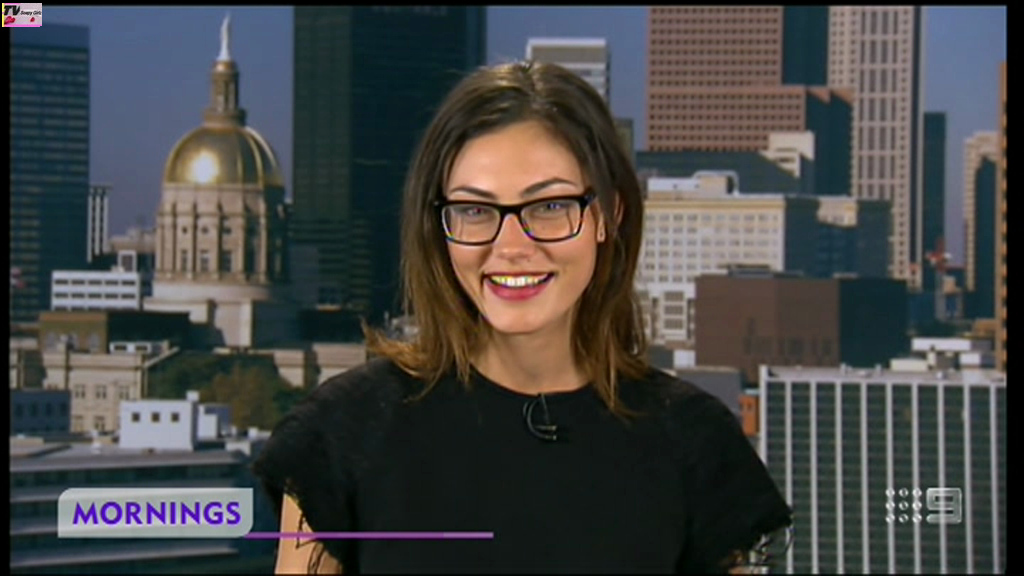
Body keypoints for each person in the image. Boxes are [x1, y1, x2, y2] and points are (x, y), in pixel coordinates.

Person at [252, 60, 793, 574]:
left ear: (608, 215)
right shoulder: (343, 436)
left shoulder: (695, 445)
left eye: (550, 206)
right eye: (474, 210)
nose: (511, 246)